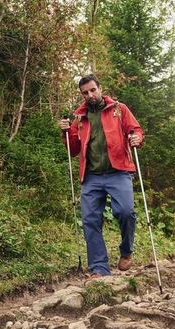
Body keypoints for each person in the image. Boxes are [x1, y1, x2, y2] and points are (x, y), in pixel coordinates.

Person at [60, 74, 143, 279]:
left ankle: (126, 251)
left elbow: (136, 130)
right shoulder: (80, 118)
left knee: (125, 212)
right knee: (90, 221)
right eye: (85, 93)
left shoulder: (118, 109)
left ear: (100, 88)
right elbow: (73, 151)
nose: (90, 95)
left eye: (92, 90)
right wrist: (65, 133)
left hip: (118, 172)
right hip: (91, 177)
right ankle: (99, 269)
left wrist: (136, 138)